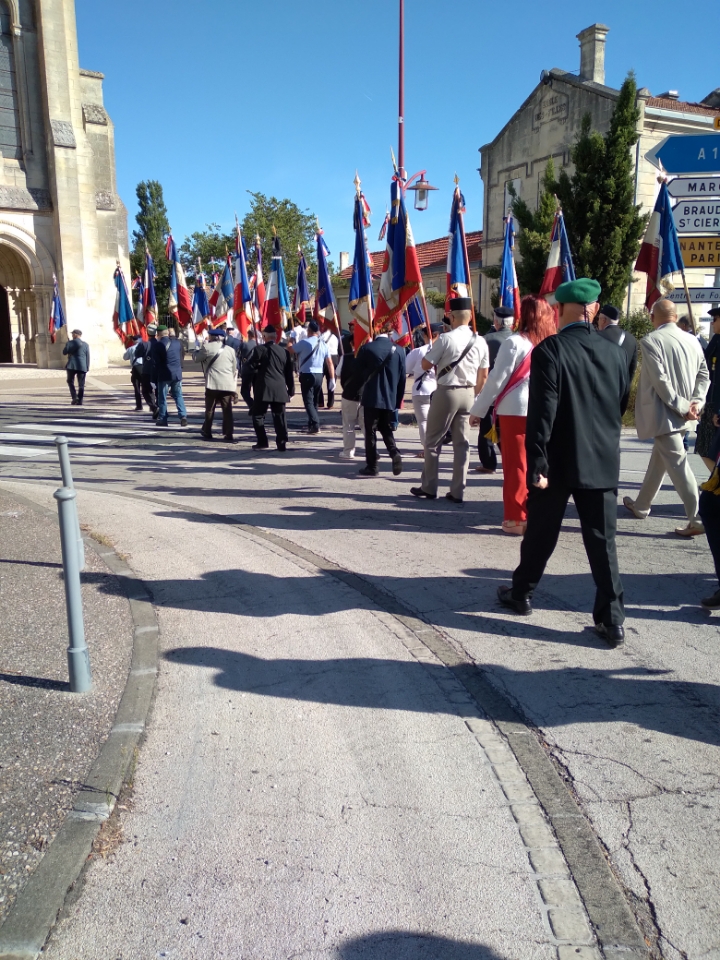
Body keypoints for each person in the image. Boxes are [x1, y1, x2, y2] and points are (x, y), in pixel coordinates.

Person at [496, 278, 630, 646]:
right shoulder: (616, 352)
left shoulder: (551, 349)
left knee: (541, 533)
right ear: (595, 309)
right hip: (601, 459)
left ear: (559, 309)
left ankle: (521, 593)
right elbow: (619, 404)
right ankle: (612, 620)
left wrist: (537, 459)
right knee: (603, 543)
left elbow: (543, 411)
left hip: (557, 460)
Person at [469, 296, 556, 534]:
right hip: (546, 411)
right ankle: (539, 515)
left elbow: (496, 380)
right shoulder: (553, 342)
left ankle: (517, 518)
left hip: (516, 411)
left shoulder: (515, 342)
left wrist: (478, 410)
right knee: (542, 464)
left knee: (517, 466)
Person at [623, 298, 709, 537]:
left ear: (653, 317)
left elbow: (660, 381)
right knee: (660, 461)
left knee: (679, 467)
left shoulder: (651, 341)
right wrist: (696, 402)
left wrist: (683, 406)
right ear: (675, 316)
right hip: (686, 412)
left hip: (665, 413)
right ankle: (642, 505)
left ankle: (698, 518)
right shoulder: (692, 339)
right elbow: (704, 375)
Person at [409, 298, 489, 503]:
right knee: (462, 444)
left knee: (433, 441)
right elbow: (484, 376)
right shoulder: (480, 341)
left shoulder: (445, 339)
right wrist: (474, 394)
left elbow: (425, 365)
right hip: (469, 393)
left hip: (447, 391)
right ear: (470, 317)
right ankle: (457, 491)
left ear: (452, 317)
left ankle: (429, 487)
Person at [344, 317, 406, 477]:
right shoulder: (400, 350)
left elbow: (355, 370)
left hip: (372, 396)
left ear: (375, 329)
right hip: (390, 397)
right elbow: (402, 379)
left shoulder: (367, 348)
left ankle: (372, 466)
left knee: (370, 431)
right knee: (385, 428)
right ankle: (394, 452)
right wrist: (398, 400)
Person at [478, 306, 514, 473]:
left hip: (492, 390)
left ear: (496, 322)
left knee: (486, 429)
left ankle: (488, 463)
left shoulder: (486, 339)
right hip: (513, 392)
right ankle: (510, 460)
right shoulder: (521, 339)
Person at [249, 325, 295, 451]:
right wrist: (291, 389)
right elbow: (289, 373)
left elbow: (251, 366)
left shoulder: (259, 349)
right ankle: (282, 442)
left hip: (263, 388)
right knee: (280, 417)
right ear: (275, 337)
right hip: (279, 388)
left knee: (258, 416)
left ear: (264, 337)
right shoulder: (284, 352)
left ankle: (262, 441)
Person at [289, 319, 335, 434]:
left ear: (309, 331)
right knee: (314, 402)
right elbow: (330, 363)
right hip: (319, 375)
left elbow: (290, 349)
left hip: (307, 374)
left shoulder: (305, 342)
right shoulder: (323, 344)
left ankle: (315, 424)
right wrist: (332, 378)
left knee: (308, 402)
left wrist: (291, 338)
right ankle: (312, 424)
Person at [194, 328, 239, 443]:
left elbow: (196, 359)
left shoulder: (207, 347)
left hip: (212, 383)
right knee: (227, 410)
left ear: (212, 337)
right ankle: (229, 433)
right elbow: (234, 368)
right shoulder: (230, 350)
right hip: (227, 384)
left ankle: (207, 431)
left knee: (210, 409)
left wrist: (196, 349)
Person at [404, 324, 439, 457]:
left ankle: (427, 449)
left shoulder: (418, 351)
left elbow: (406, 368)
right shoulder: (444, 350)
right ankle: (434, 446)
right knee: (435, 422)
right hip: (438, 388)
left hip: (422, 389)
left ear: (425, 335)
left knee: (423, 421)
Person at [694, 306, 720, 469]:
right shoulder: (716, 339)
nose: (712, 323)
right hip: (710, 403)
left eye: (715, 320)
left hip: (716, 406)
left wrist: (718, 410)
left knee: (708, 449)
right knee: (704, 448)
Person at [151, 325, 188, 427]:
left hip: (164, 375)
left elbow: (155, 364)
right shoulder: (178, 343)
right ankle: (183, 416)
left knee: (162, 398)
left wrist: (153, 379)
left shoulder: (157, 345)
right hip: (177, 374)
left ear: (158, 334)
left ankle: (163, 418)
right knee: (178, 395)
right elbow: (181, 357)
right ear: (167, 332)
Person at [338, 332, 364, 460]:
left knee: (348, 425)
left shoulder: (346, 357)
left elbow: (338, 372)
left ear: (351, 343)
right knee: (367, 426)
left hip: (349, 395)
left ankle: (349, 451)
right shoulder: (368, 357)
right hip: (365, 396)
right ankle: (372, 450)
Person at [596, 304, 638, 382]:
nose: (598, 322)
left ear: (603, 320)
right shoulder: (631, 339)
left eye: (599, 319)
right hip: (621, 386)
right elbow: (632, 369)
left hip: (602, 384)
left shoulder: (597, 337)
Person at [63, 329, 90, 406]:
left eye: (73, 334)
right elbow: (87, 357)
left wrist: (67, 345)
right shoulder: (85, 344)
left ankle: (74, 397)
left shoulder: (70, 343)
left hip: (71, 365)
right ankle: (80, 401)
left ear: (75, 335)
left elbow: (64, 352)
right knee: (81, 384)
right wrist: (87, 367)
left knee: (70, 381)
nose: (72, 335)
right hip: (82, 366)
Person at [318, 325, 340, 408]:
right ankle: (330, 403)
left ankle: (320, 401)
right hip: (334, 357)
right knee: (331, 380)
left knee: (319, 381)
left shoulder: (320, 336)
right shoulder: (335, 337)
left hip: (323, 357)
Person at [123, 334, 145, 410]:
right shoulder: (145, 347)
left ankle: (139, 406)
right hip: (144, 368)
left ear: (133, 340)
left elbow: (125, 357)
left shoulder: (130, 348)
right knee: (146, 387)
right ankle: (152, 404)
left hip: (135, 369)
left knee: (137, 388)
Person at [239, 330, 259, 411]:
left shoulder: (244, 344)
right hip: (257, 370)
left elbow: (239, 355)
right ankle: (257, 406)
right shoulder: (259, 345)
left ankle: (251, 404)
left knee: (244, 391)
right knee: (257, 391)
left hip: (247, 370)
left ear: (249, 335)